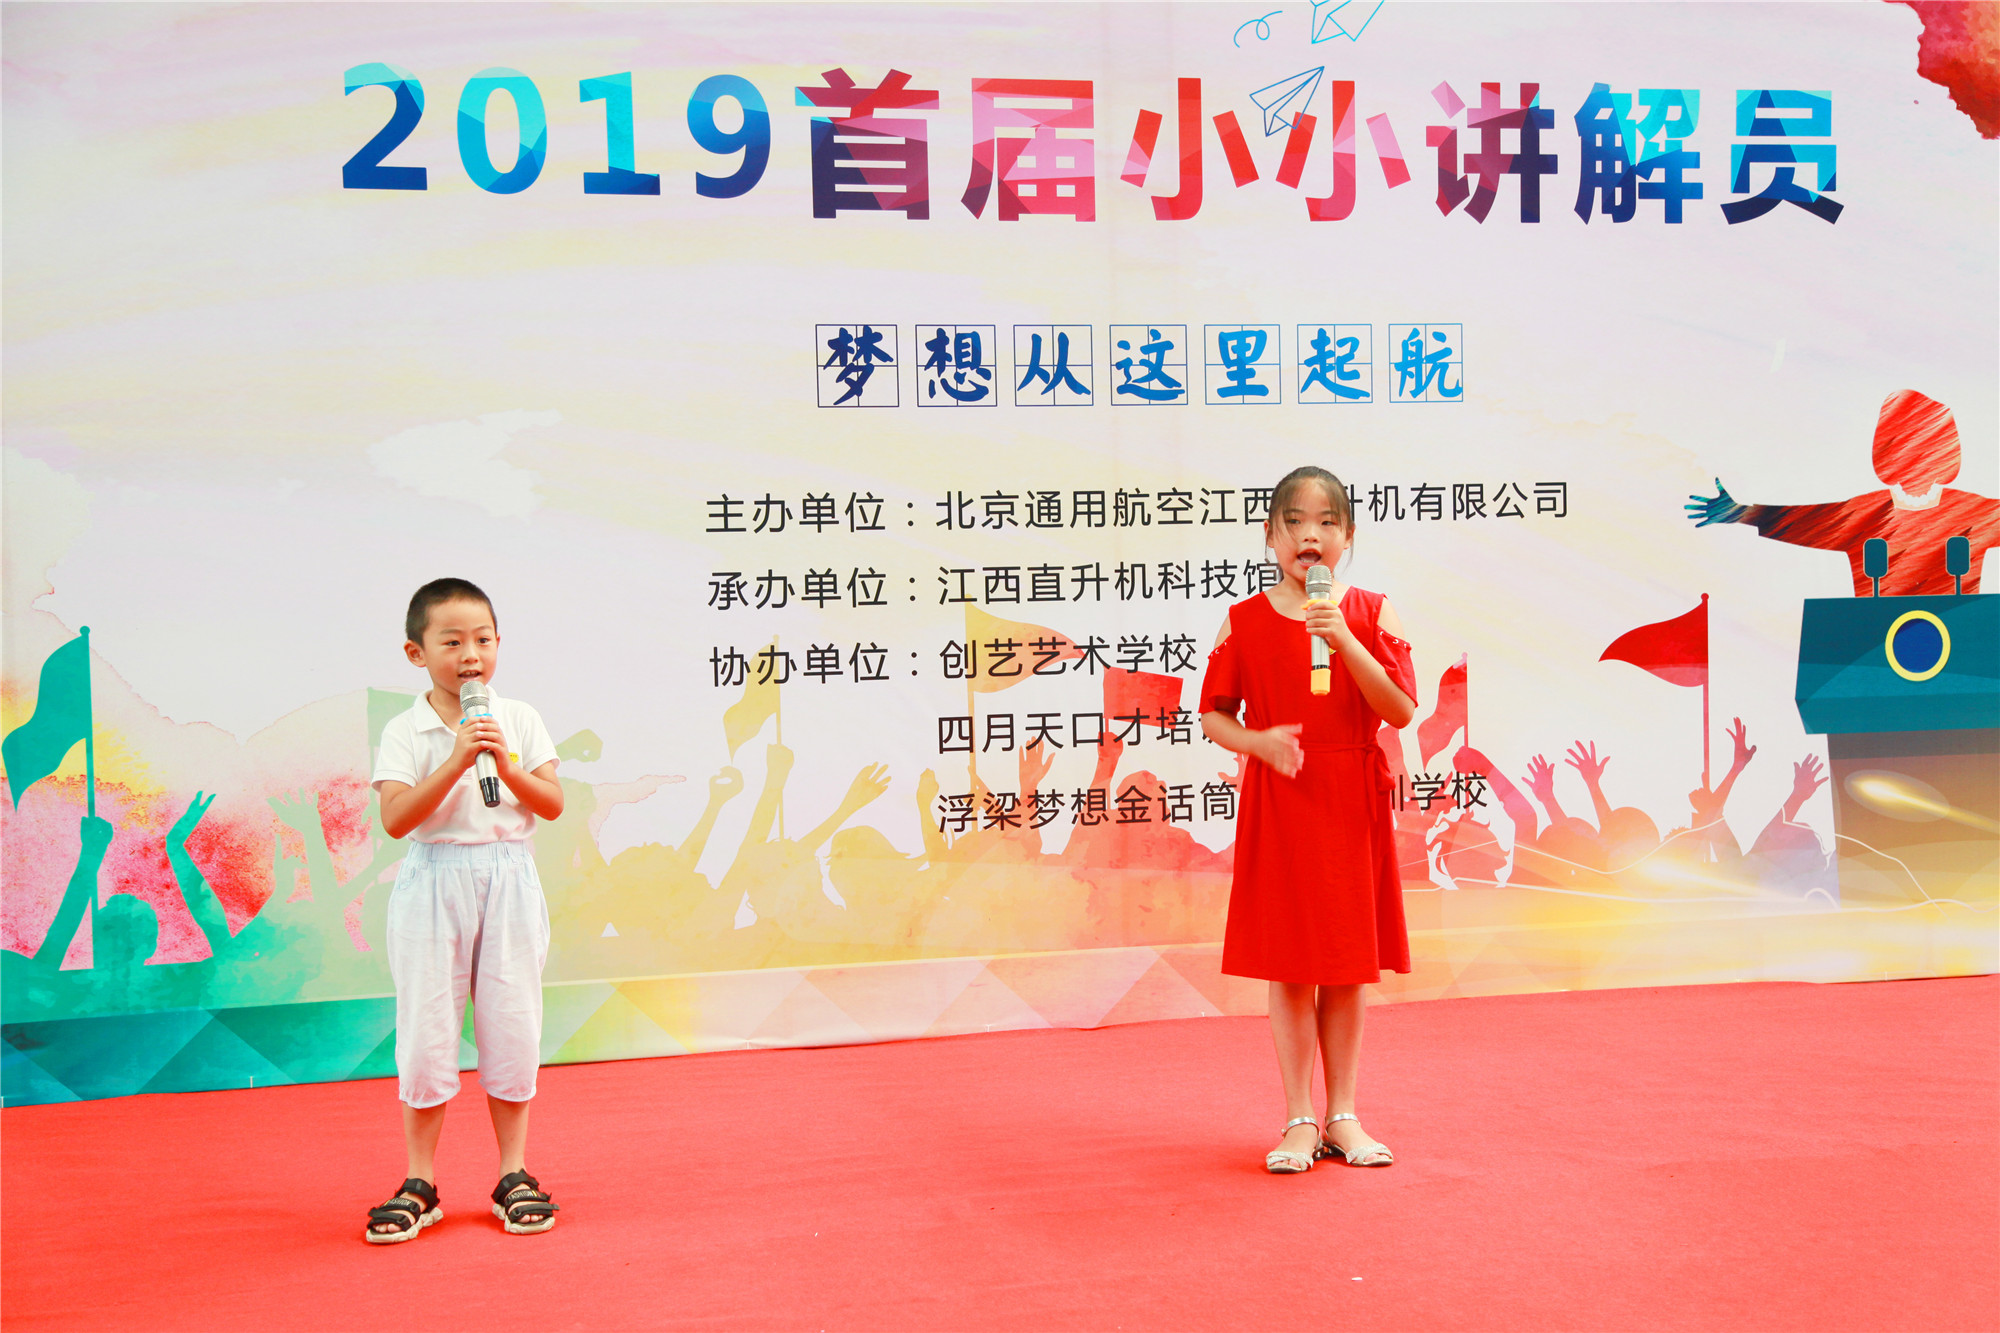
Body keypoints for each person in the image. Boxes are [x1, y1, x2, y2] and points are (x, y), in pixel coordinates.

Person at [1198, 466, 1418, 1174]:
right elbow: (1212, 715)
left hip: (1350, 796)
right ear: (1270, 535)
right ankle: (1298, 1117)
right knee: (1291, 966)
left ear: (1347, 536)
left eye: (1326, 521)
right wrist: (1256, 742)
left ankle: (1342, 1115)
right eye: (1293, 522)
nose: (1309, 535)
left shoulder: (1373, 612)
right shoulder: (1245, 620)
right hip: (1283, 799)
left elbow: (1399, 709)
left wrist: (1344, 638)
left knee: (1347, 965)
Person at [363, 578, 565, 1243]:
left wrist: (503, 764)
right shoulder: (405, 729)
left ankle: (514, 1173)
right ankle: (419, 1182)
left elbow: (552, 803)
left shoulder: (520, 717)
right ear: (416, 652)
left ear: (499, 643)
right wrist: (457, 759)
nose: (470, 654)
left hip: (509, 876)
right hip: (433, 880)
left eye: (482, 639)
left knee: (512, 1019)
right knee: (426, 1028)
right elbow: (396, 819)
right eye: (451, 642)